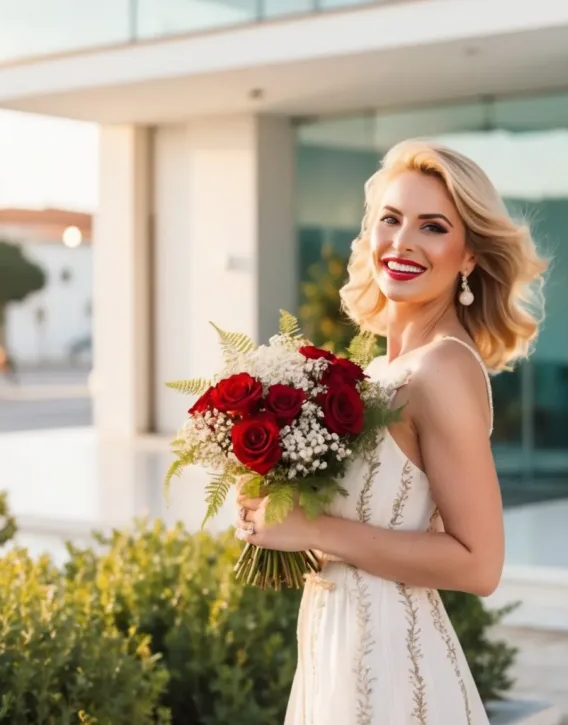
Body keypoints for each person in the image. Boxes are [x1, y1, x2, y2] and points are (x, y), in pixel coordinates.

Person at [234, 139, 547, 724]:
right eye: (391, 219)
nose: (402, 242)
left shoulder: (443, 368)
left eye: (432, 227)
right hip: (334, 645)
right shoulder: (378, 372)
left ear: (470, 254)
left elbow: (479, 565)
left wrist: (312, 528)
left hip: (394, 674)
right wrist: (274, 500)